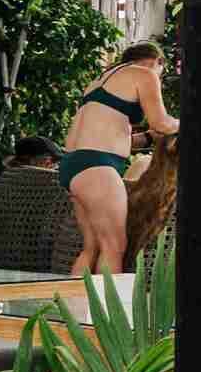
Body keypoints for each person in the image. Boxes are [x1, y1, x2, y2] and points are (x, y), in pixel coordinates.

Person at [61, 40, 173, 273]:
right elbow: (161, 122)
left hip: (75, 164)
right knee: (114, 246)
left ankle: (76, 308)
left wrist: (148, 138)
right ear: (156, 62)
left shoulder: (100, 82)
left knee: (91, 248)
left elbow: (112, 135)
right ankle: (110, 310)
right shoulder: (145, 74)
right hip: (97, 165)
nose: (158, 80)